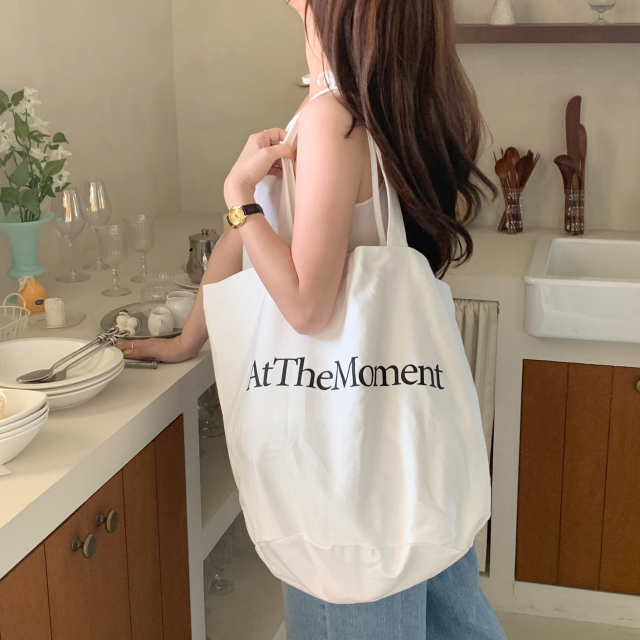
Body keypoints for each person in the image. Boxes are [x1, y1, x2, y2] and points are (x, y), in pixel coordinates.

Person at [121, 0, 506, 638]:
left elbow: (303, 303)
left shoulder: (331, 119)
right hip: (395, 458)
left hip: (345, 478)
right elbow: (250, 237)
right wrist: (189, 338)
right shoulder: (352, 111)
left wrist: (238, 197)